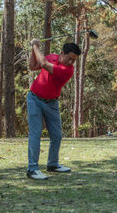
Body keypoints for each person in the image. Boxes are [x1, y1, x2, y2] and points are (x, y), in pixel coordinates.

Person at [26, 39, 81, 180]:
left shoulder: (67, 70)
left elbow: (43, 63)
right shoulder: (51, 57)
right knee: (35, 134)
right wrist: (34, 50)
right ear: (62, 53)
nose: (71, 62)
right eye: (69, 58)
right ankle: (32, 169)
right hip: (34, 99)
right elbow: (33, 66)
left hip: (52, 103)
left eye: (74, 60)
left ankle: (53, 164)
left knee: (56, 135)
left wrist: (34, 46)